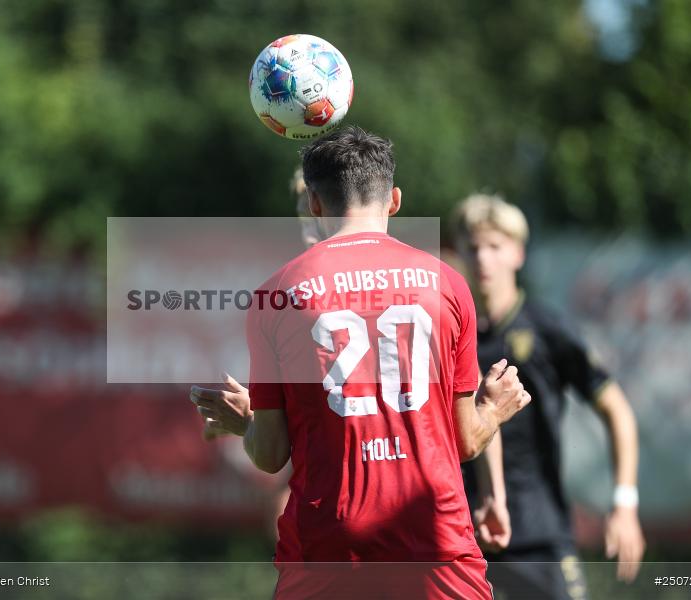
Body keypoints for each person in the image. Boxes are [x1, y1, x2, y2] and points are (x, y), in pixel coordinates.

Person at [192, 127, 530, 598]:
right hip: (434, 535)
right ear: (393, 200)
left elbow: (270, 456)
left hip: (329, 544)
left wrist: (246, 422)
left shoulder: (276, 295)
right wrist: (494, 409)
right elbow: (465, 440)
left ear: (313, 203)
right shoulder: (449, 284)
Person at [453, 194, 645, 599]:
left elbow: (616, 409)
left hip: (541, 534)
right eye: (473, 247)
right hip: (464, 537)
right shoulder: (450, 335)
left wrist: (624, 504)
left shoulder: (546, 328)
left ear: (518, 254)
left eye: (494, 246)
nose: (483, 258)